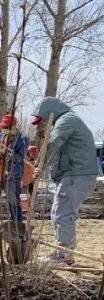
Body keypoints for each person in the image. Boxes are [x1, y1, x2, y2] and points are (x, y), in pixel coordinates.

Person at [31, 97, 99, 263]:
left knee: (62, 213)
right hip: (76, 174)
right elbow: (60, 152)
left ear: (51, 113)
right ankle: (64, 252)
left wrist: (41, 164)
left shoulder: (66, 120)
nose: (44, 124)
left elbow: (54, 143)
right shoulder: (68, 120)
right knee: (59, 212)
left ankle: (63, 254)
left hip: (76, 175)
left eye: (44, 120)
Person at [0, 112, 29, 225]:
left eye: (7, 127)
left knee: (13, 202)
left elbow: (21, 157)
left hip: (13, 174)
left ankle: (17, 224)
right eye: (3, 127)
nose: (4, 129)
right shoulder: (0, 136)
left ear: (14, 127)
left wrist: (8, 152)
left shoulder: (23, 139)